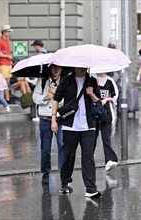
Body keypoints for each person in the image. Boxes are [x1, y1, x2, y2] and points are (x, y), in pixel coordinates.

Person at [51, 67, 101, 198]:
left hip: (88, 125)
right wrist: (53, 119)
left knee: (88, 156)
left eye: (85, 66)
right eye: (80, 65)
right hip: (70, 125)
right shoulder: (66, 80)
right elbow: (56, 98)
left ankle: (91, 188)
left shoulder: (92, 81)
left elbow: (98, 101)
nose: (83, 68)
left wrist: (91, 94)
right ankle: (65, 181)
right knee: (68, 156)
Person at [33, 64, 64, 184]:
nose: (56, 70)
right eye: (54, 68)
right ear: (50, 69)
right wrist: (47, 97)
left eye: (59, 68)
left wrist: (58, 97)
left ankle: (63, 172)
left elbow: (69, 99)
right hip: (45, 118)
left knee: (62, 145)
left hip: (60, 118)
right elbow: (35, 97)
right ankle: (45, 172)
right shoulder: (43, 81)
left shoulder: (65, 82)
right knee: (45, 148)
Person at [93, 72, 119, 171]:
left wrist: (107, 99)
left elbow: (115, 95)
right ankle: (88, 161)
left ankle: (109, 160)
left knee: (106, 138)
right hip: (94, 115)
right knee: (92, 140)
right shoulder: (92, 78)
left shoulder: (110, 81)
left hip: (107, 114)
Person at [0, 24, 13, 103]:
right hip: (3, 64)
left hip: (7, 64)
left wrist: (9, 59)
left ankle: (7, 99)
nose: (9, 33)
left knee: (7, 82)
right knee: (3, 83)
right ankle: (2, 99)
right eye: (8, 32)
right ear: (4, 32)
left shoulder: (7, 40)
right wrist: (7, 56)